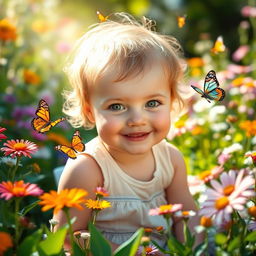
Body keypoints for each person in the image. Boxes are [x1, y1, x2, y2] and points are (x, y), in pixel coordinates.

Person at [54, 12, 201, 254]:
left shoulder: (171, 160)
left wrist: (195, 248)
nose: (137, 120)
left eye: (152, 103)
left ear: (172, 101)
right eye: (117, 107)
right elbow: (67, 235)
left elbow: (186, 217)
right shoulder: (87, 169)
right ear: (90, 112)